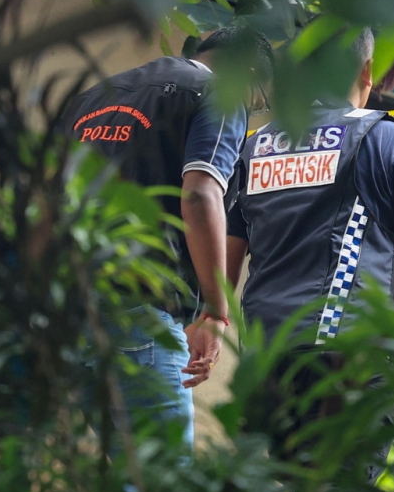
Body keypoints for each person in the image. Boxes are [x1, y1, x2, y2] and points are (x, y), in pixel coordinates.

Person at [225, 28, 394, 492]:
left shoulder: (254, 149)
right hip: (347, 356)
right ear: (366, 73)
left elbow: (227, 263)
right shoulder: (387, 140)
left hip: (267, 359)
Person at [62, 26, 273, 448]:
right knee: (155, 483)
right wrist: (215, 309)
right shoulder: (216, 95)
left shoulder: (89, 98)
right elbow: (199, 194)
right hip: (139, 309)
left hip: (61, 310)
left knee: (91, 482)